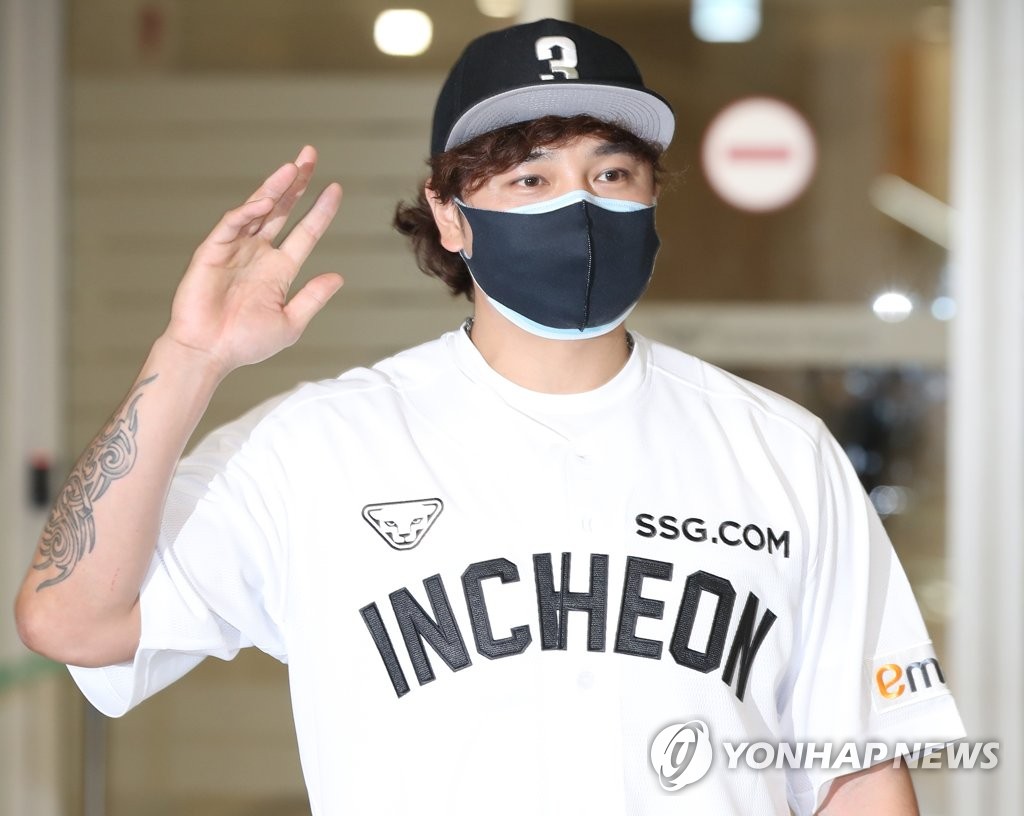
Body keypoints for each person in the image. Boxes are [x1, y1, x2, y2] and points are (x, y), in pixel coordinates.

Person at [16, 18, 963, 816]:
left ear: (651, 198)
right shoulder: (316, 447)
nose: (580, 205)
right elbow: (73, 622)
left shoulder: (779, 450)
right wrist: (189, 357)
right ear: (450, 215)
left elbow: (859, 769)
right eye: (529, 179)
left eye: (613, 173)